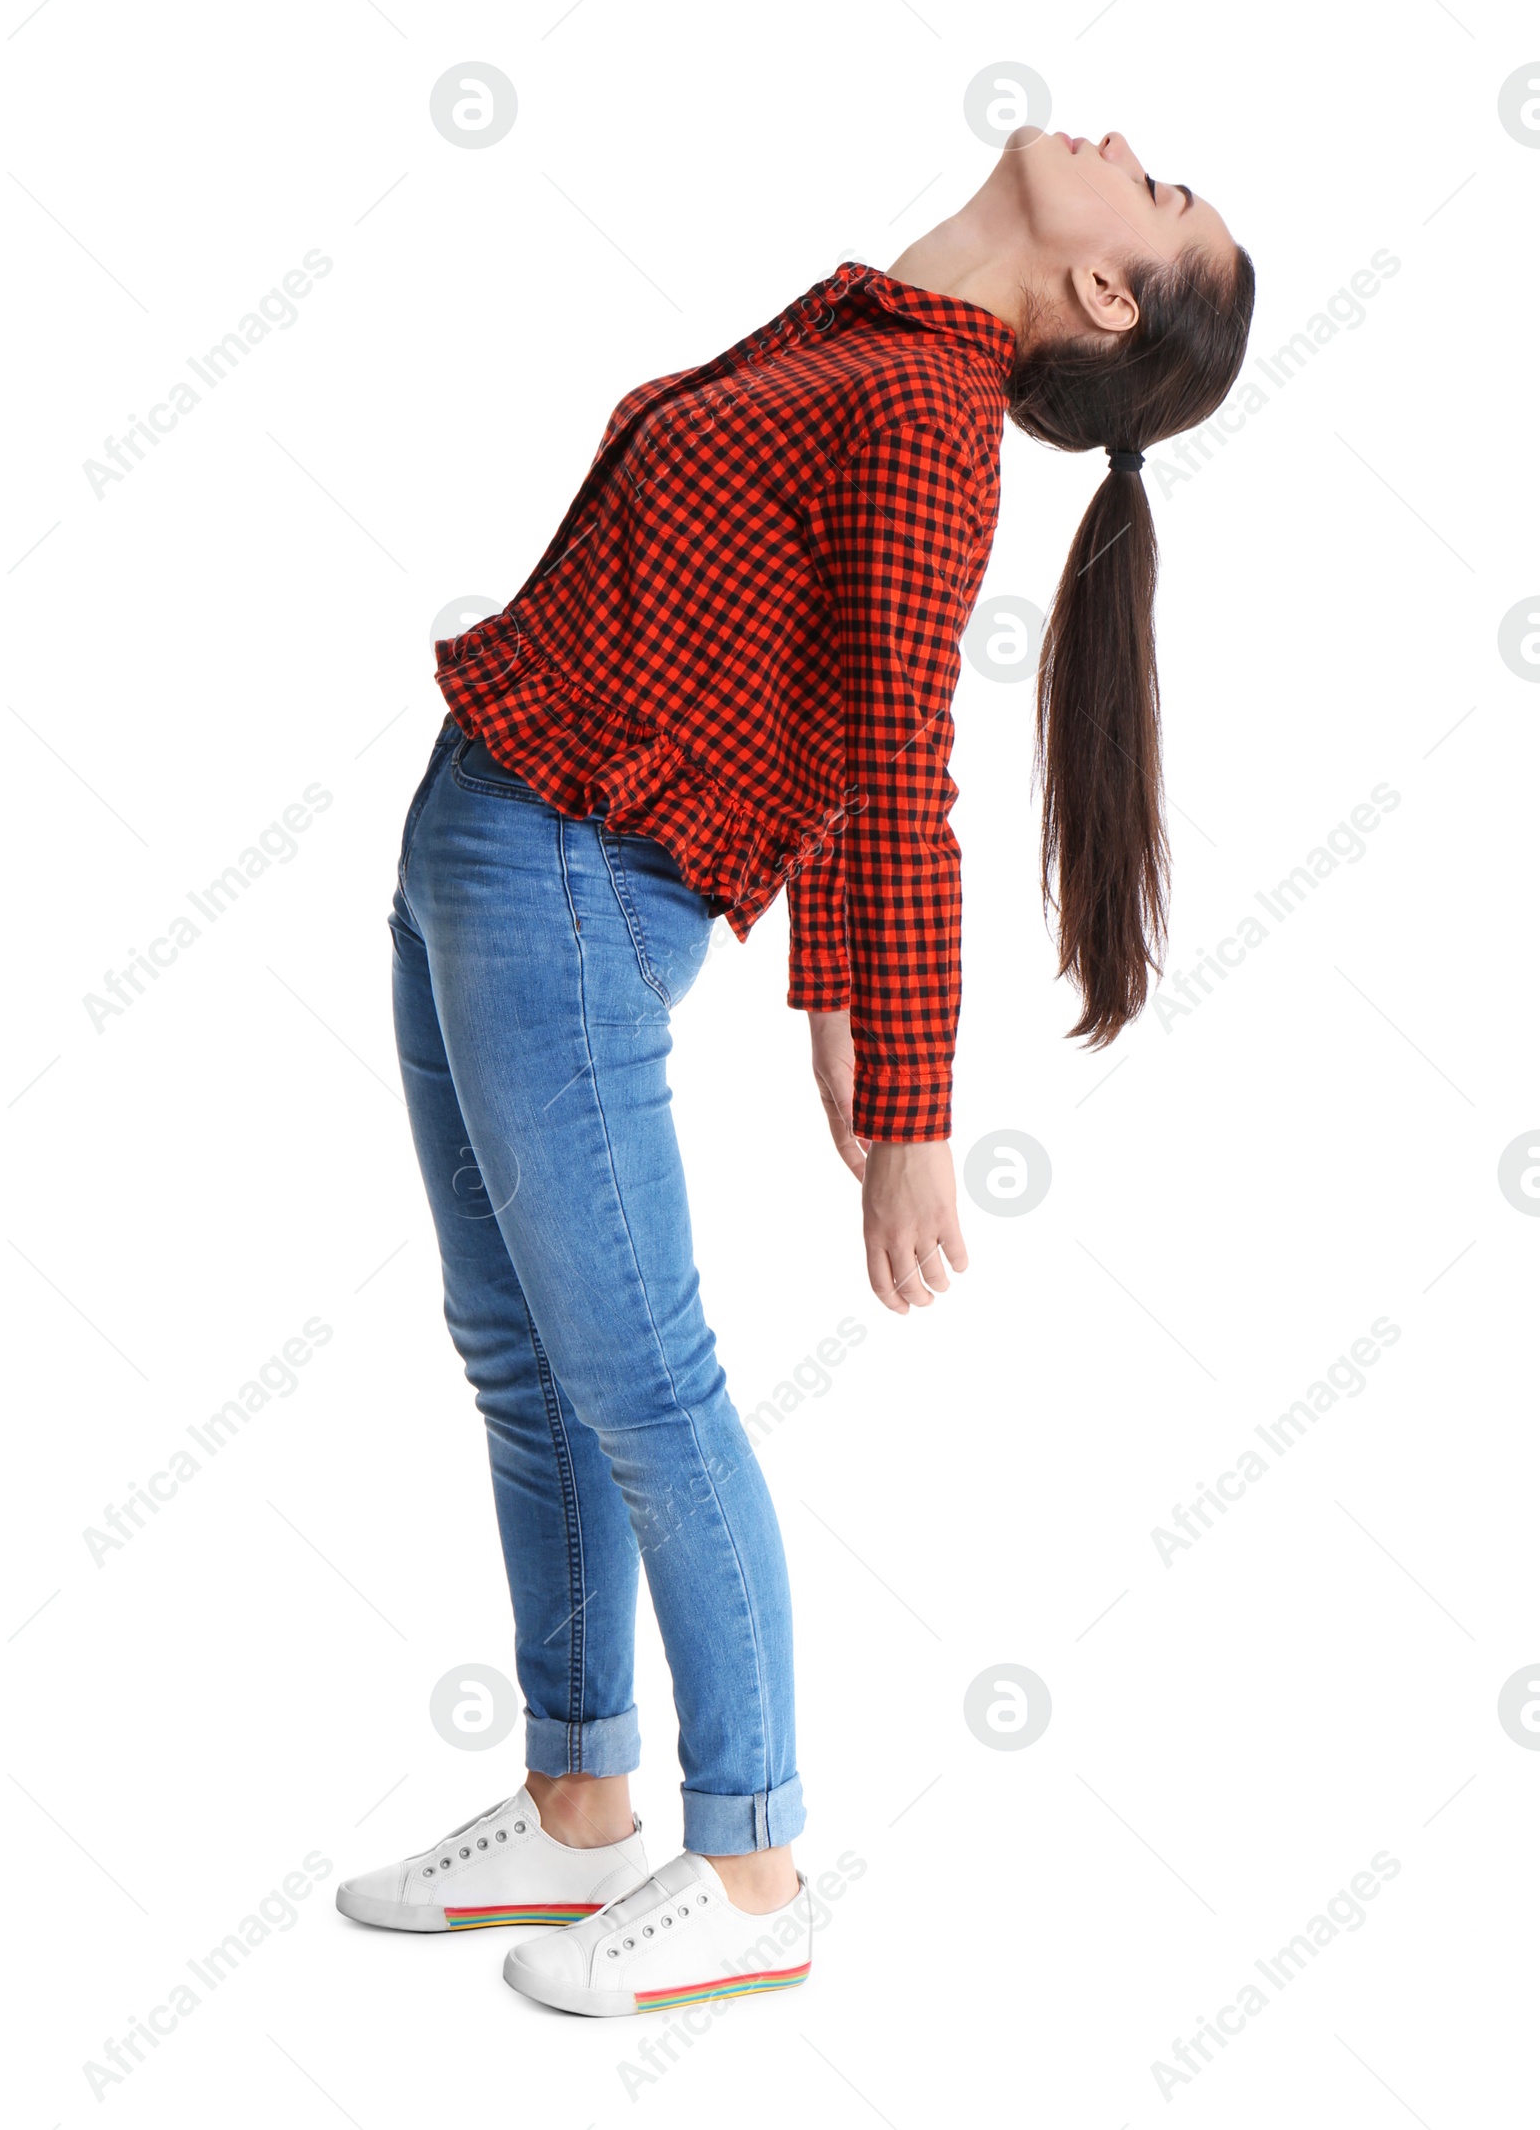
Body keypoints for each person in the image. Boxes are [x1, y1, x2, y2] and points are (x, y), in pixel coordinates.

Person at [335, 127, 1255, 2015]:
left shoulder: (926, 414)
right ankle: (581, 1796)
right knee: (520, 1360)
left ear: (1102, 294)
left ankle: (752, 1858)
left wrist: (914, 1118)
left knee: (648, 1389)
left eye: (1163, 197)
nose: (1133, 154)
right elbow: (815, 683)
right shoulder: (870, 331)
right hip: (486, 848)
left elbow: (899, 764)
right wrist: (828, 992)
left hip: (567, 882)